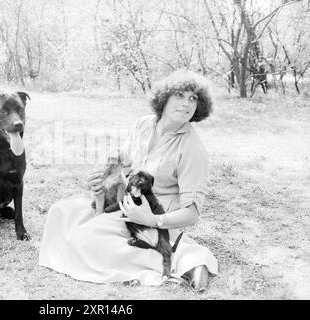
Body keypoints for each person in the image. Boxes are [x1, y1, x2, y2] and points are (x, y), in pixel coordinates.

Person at [38, 70, 218, 291]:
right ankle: (162, 251)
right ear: (164, 98)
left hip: (155, 215)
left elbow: (192, 214)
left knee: (85, 239)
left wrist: (151, 219)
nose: (186, 103)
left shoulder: (193, 149)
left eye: (193, 98)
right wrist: (102, 180)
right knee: (60, 212)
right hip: (125, 203)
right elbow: (124, 165)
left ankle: (186, 261)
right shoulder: (144, 124)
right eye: (179, 95)